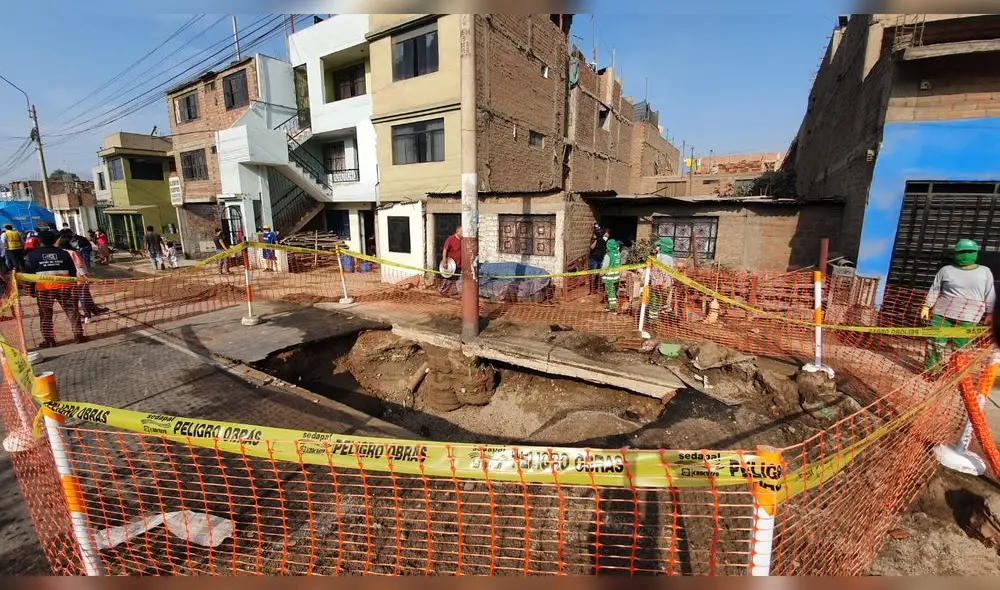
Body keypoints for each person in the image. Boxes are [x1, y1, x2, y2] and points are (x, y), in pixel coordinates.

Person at [921, 239, 996, 372]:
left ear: (976, 253)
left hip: (969, 316)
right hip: (942, 313)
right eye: (962, 252)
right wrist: (927, 306)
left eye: (969, 251)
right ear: (955, 253)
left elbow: (989, 293)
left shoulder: (985, 271)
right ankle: (932, 371)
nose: (965, 255)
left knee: (962, 347)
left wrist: (990, 313)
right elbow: (935, 289)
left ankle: (956, 372)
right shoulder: (946, 270)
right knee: (935, 342)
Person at [24, 230, 85, 348]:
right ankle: (79, 336)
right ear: (54, 240)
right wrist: (72, 285)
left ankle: (49, 340)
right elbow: (72, 271)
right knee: (72, 311)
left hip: (44, 289)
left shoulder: (32, 255)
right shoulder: (64, 253)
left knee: (45, 314)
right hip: (64, 287)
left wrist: (30, 289)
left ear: (39, 241)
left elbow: (28, 275)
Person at [649, 236, 676, 320]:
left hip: (660, 284)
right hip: (665, 284)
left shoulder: (663, 257)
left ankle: (653, 321)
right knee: (665, 303)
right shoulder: (669, 257)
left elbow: (662, 271)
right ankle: (671, 320)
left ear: (663, 246)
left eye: (659, 246)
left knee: (655, 301)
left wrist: (660, 283)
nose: (657, 247)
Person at [601, 233, 622, 313]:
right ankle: (609, 306)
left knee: (610, 293)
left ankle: (613, 309)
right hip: (616, 276)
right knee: (613, 292)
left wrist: (601, 273)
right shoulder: (618, 253)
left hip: (609, 278)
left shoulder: (608, 255)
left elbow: (605, 266)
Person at [439, 226, 462, 296]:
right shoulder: (450, 239)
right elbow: (445, 250)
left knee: (458, 280)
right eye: (462, 232)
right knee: (448, 279)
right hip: (451, 264)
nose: (463, 234)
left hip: (460, 264)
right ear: (458, 232)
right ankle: (443, 291)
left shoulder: (463, 240)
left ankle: (460, 294)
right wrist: (444, 262)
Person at [589, 224, 607, 294]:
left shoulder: (604, 240)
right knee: (593, 275)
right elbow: (591, 247)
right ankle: (592, 290)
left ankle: (599, 289)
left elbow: (606, 240)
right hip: (594, 259)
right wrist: (596, 240)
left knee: (600, 275)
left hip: (601, 260)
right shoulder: (594, 240)